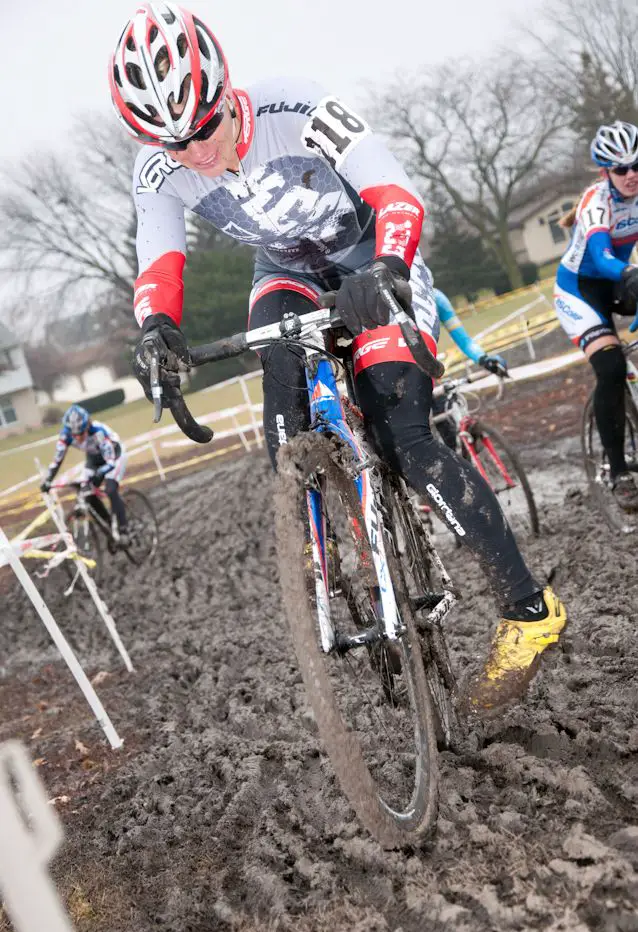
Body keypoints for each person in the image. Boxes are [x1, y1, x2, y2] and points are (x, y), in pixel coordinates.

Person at [110, 0, 565, 713]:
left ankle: (530, 611)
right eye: (174, 146)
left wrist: (386, 266)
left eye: (203, 128)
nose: (197, 154)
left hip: (372, 255)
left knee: (405, 436)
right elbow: (158, 259)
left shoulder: (298, 106)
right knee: (281, 412)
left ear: (227, 91)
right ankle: (334, 557)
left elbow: (396, 192)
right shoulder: (158, 171)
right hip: (286, 272)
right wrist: (155, 328)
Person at [554, 120, 638, 512]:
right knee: (611, 369)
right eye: (622, 169)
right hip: (580, 290)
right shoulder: (596, 200)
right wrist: (629, 273)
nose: (632, 175)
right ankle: (619, 470)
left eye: (637, 165)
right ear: (606, 172)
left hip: (618, 282)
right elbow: (603, 257)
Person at [40, 404, 129, 545]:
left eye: (81, 433)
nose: (78, 438)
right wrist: (48, 480)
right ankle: (110, 525)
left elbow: (110, 461)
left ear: (87, 425)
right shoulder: (66, 436)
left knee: (111, 489)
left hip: (115, 456)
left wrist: (101, 473)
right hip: (93, 459)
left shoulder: (98, 432)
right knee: (86, 492)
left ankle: (124, 530)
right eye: (74, 434)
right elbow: (57, 460)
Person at [432, 288, 507, 449]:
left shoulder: (437, 298)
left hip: (430, 370)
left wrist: (484, 359)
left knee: (453, 436)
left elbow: (464, 341)